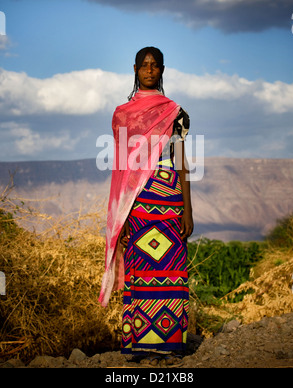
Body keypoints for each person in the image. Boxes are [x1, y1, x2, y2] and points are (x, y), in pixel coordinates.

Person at [99, 47, 193, 366]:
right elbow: (123, 169)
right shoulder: (123, 114)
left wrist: (189, 210)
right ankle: (139, 341)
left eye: (155, 65)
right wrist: (121, 216)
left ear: (163, 70)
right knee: (141, 269)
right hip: (138, 201)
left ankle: (168, 342)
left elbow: (181, 161)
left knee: (170, 268)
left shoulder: (176, 113)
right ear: (135, 69)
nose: (149, 69)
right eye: (144, 65)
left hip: (170, 199)